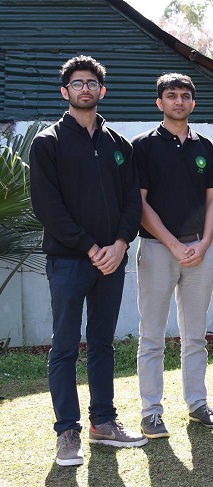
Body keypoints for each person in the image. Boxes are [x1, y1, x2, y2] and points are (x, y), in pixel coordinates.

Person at [29, 55, 147, 467]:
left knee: (101, 344)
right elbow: (47, 206)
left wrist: (120, 244)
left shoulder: (119, 145)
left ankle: (104, 423)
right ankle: (67, 432)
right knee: (64, 346)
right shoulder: (48, 142)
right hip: (69, 261)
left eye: (91, 83)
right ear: (65, 91)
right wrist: (89, 247)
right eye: (77, 83)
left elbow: (132, 202)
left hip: (112, 260)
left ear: (102, 90)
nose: (85, 89)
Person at [133, 73, 213, 437]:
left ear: (193, 103)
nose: (179, 101)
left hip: (199, 250)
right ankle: (151, 411)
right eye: (171, 95)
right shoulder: (143, 146)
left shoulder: (207, 147)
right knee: (152, 335)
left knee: (195, 335)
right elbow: (140, 204)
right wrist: (173, 244)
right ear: (160, 103)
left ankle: (198, 404)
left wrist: (205, 245)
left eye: (185, 96)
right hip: (158, 249)